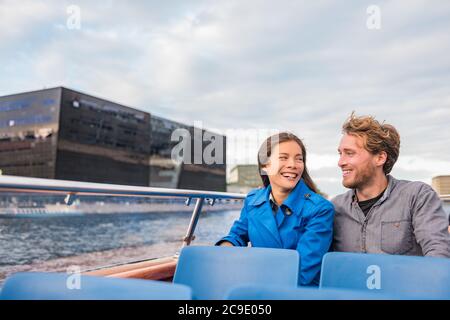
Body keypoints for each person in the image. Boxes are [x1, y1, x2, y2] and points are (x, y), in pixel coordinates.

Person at [216, 132, 335, 286]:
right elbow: (238, 235)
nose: (293, 164)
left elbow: (303, 271)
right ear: (265, 165)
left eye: (299, 159)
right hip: (257, 286)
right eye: (283, 157)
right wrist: (224, 250)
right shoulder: (253, 200)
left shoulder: (320, 209)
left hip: (298, 293)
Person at [332, 113, 450, 257]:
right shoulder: (335, 208)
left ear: (380, 158)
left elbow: (438, 253)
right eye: (340, 154)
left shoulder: (417, 196)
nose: (341, 162)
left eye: (350, 153)